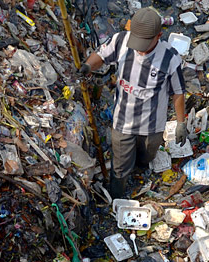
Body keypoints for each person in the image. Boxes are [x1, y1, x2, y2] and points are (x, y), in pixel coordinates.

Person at [78, 7, 187, 198]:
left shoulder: (170, 58)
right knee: (120, 168)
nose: (139, 48)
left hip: (152, 125)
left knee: (146, 157)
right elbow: (101, 56)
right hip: (123, 122)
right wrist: (87, 66)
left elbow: (178, 92)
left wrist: (180, 123)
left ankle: (140, 170)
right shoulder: (120, 40)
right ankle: (117, 198)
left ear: (159, 35)